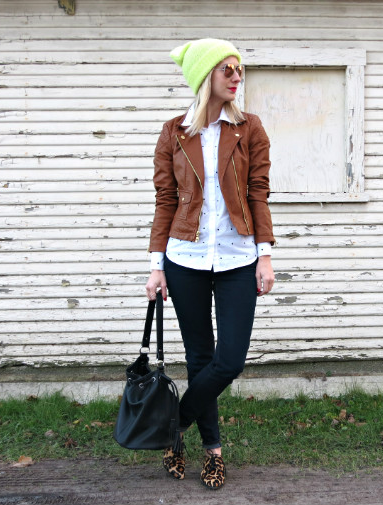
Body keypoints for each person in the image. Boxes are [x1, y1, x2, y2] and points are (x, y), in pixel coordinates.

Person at [145, 38, 275, 489]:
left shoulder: (251, 128)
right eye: (228, 70)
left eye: (239, 70)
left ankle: (173, 426)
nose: (237, 77)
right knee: (200, 359)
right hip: (185, 258)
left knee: (229, 361)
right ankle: (213, 453)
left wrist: (265, 256)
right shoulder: (174, 131)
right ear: (206, 77)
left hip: (239, 257)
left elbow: (258, 193)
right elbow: (165, 200)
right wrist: (156, 265)